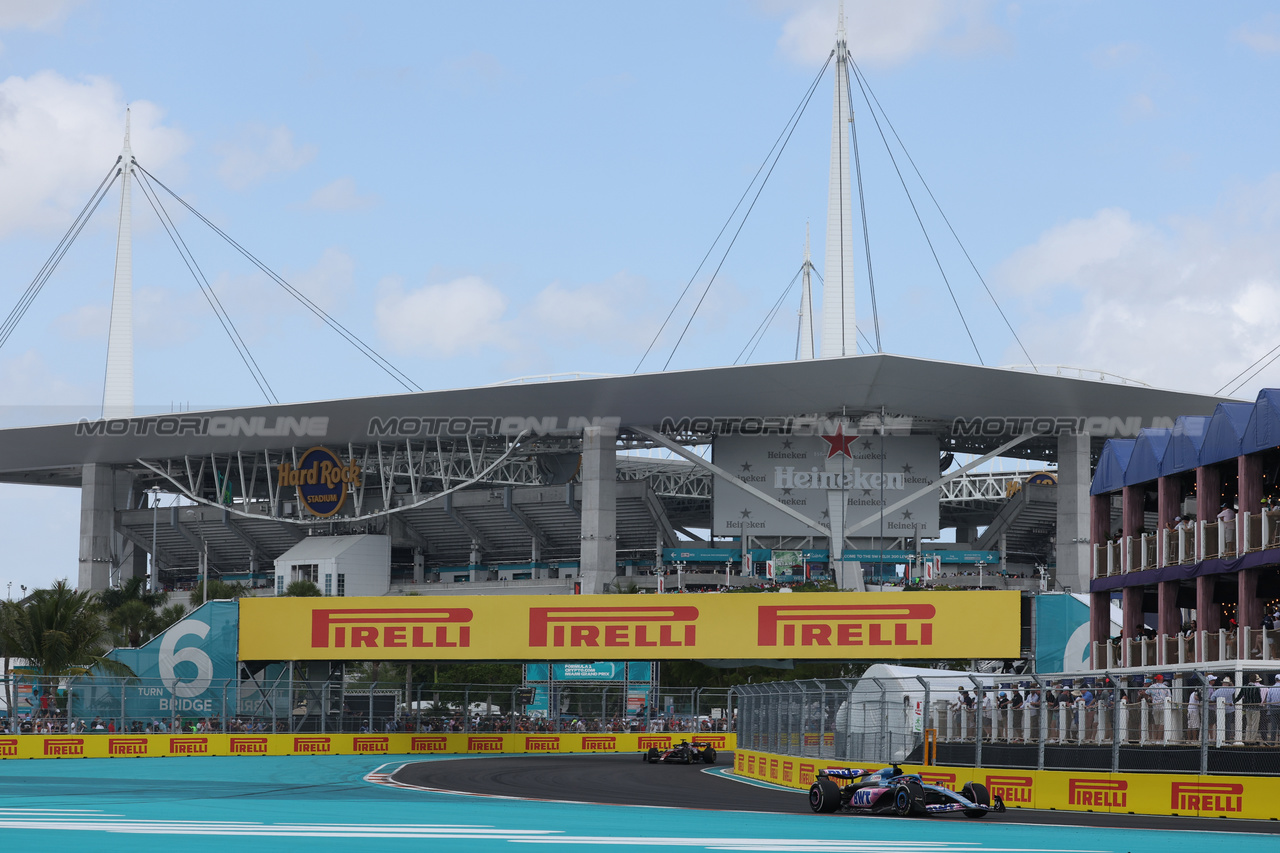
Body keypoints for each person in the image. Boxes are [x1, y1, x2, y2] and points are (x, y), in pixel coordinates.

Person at [1210, 677, 1238, 744]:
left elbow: (1212, 698)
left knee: (1219, 725)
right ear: (1229, 684)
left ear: (1222, 683)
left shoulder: (1218, 691)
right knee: (1228, 725)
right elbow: (1238, 693)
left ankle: (1219, 739)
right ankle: (1227, 740)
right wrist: (1232, 684)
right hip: (1229, 710)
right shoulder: (1232, 690)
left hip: (1220, 710)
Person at [1147, 674, 1171, 742]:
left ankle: (1155, 738)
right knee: (1162, 723)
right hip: (1163, 706)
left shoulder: (1152, 686)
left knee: (1156, 723)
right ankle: (1159, 739)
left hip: (1155, 706)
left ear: (1157, 680)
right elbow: (1169, 697)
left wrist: (1150, 698)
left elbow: (1146, 693)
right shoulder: (1166, 687)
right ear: (1162, 680)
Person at [1240, 674, 1263, 744]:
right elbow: (1259, 699)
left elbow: (1242, 697)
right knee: (1255, 724)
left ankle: (1247, 738)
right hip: (1255, 708)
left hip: (1248, 708)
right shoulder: (1256, 688)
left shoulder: (1246, 687)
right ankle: (1252, 739)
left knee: (1248, 724)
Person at [1264, 675, 1280, 744]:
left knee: (1273, 726)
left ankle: (1272, 742)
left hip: (1273, 707)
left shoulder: (1271, 688)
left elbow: (1268, 700)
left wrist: (1268, 708)